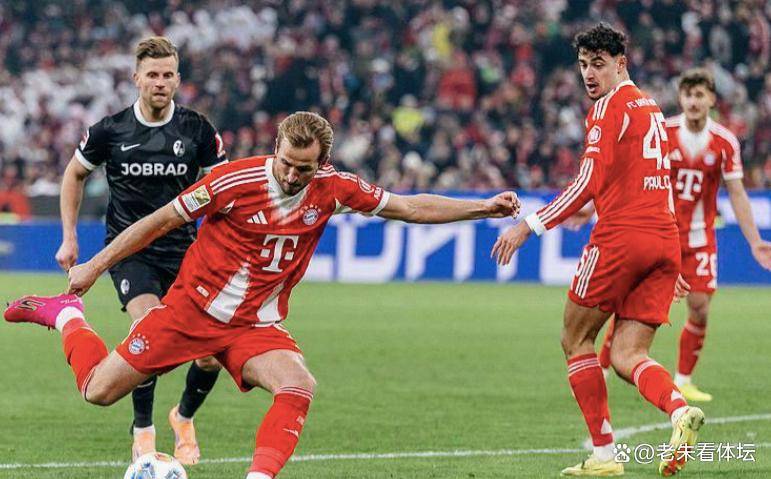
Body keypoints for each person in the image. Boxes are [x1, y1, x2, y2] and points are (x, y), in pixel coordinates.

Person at [6, 111, 520, 479]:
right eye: (287, 163)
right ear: (276, 149)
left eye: (305, 168)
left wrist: (482, 208)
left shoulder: (334, 189)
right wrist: (95, 266)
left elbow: (409, 208)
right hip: (190, 312)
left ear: (322, 163)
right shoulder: (233, 181)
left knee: (298, 386)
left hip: (254, 325)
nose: (293, 176)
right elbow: (158, 222)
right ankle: (67, 317)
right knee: (98, 391)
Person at [491, 23, 702, 477]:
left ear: (620, 64)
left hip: (621, 240)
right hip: (662, 239)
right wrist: (670, 258)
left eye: (598, 64)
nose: (589, 74)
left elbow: (587, 179)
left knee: (575, 339)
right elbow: (652, 181)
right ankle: (680, 410)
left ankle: (605, 456)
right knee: (627, 356)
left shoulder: (609, 108)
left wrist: (529, 225)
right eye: (583, 64)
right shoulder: (650, 107)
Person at [54, 36, 228, 464]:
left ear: (178, 79)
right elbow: (74, 174)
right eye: (152, 74)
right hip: (130, 252)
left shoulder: (198, 130)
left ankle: (183, 417)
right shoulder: (110, 131)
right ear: (136, 78)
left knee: (211, 357)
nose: (160, 82)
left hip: (185, 252)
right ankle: (144, 431)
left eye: (168, 74)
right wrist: (69, 236)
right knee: (148, 328)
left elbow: (223, 192)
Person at [596, 69, 771, 401]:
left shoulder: (724, 142)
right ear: (680, 98)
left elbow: (737, 193)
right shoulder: (663, 132)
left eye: (700, 95)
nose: (693, 101)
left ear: (712, 100)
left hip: (700, 239)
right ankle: (604, 365)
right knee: (632, 302)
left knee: (700, 308)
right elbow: (634, 176)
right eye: (688, 94)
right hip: (660, 234)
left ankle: (685, 379)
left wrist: (754, 241)